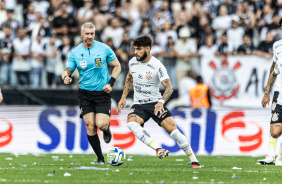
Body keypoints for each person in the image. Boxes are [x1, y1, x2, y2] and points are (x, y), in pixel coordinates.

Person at [116, 35, 201, 168]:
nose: (135, 52)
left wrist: (161, 102)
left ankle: (194, 160)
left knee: (174, 132)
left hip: (155, 102)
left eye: (138, 49)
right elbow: (129, 78)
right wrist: (123, 97)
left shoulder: (157, 65)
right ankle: (158, 149)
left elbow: (169, 87)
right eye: (135, 49)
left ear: (148, 49)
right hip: (139, 104)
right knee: (131, 124)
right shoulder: (133, 62)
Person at [61, 22, 121, 164]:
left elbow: (117, 66)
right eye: (87, 34)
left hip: (102, 93)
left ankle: (107, 130)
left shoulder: (104, 49)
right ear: (82, 34)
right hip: (85, 94)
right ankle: (100, 158)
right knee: (90, 126)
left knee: (101, 125)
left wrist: (110, 83)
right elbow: (66, 70)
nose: (89, 36)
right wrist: (65, 77)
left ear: (94, 34)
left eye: (92, 34)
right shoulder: (75, 52)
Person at [261, 30, 282, 165]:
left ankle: (279, 155)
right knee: (274, 131)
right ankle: (271, 155)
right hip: (279, 93)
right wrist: (266, 93)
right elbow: (273, 70)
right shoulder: (277, 46)